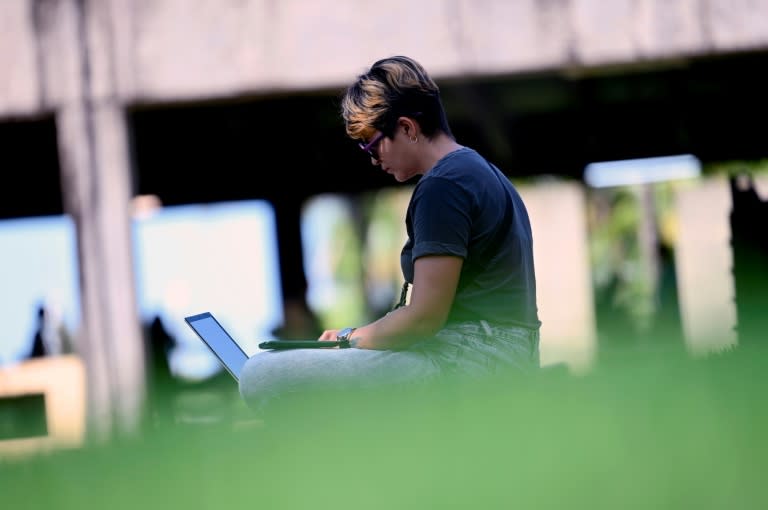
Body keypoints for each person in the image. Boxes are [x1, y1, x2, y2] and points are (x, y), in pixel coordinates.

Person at [239, 55, 541, 412]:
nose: (371, 159)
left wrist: (349, 339)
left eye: (371, 143)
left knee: (261, 373)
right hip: (503, 359)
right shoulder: (484, 172)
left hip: (469, 364)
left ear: (408, 128)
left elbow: (425, 318)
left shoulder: (444, 185)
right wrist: (353, 338)